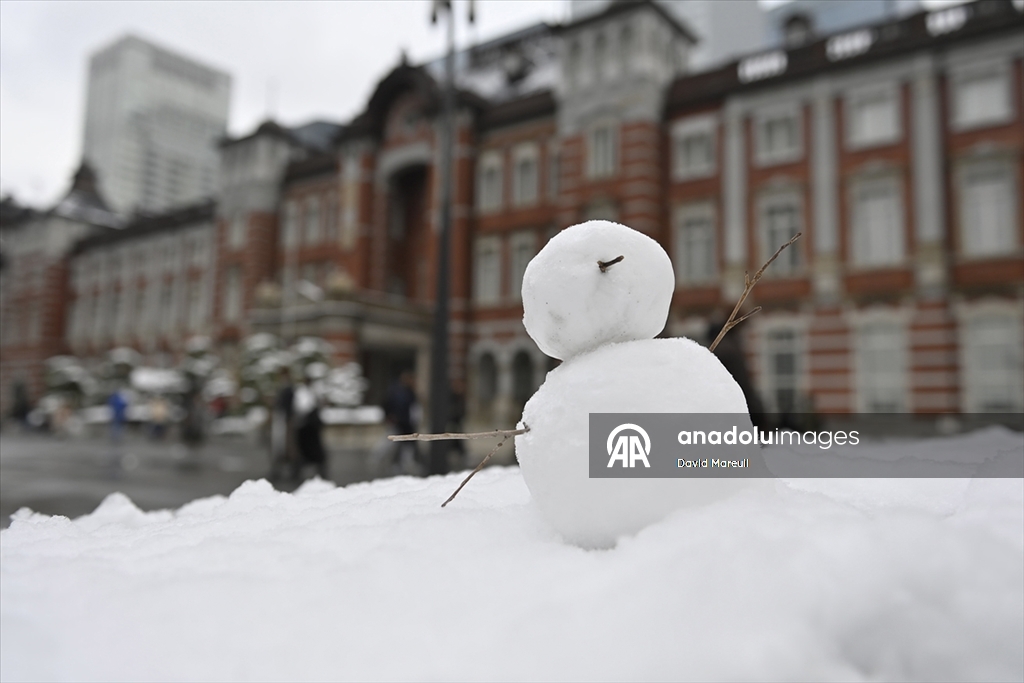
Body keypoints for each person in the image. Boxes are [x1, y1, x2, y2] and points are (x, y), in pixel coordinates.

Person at [383, 371, 420, 474]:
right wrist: (390, 417)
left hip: (405, 421)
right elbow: (389, 405)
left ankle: (406, 463)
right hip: (400, 421)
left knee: (406, 444)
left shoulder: (408, 392)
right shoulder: (398, 392)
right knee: (395, 443)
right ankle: (396, 463)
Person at [293, 377, 327, 481]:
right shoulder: (304, 392)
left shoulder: (308, 392)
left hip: (309, 427)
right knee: (306, 450)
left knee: (311, 450)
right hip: (307, 427)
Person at [269, 368, 296, 482]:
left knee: (287, 446)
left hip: (286, 420)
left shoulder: (289, 389)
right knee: (279, 446)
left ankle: (291, 469)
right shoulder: (283, 388)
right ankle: (279, 469)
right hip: (281, 419)